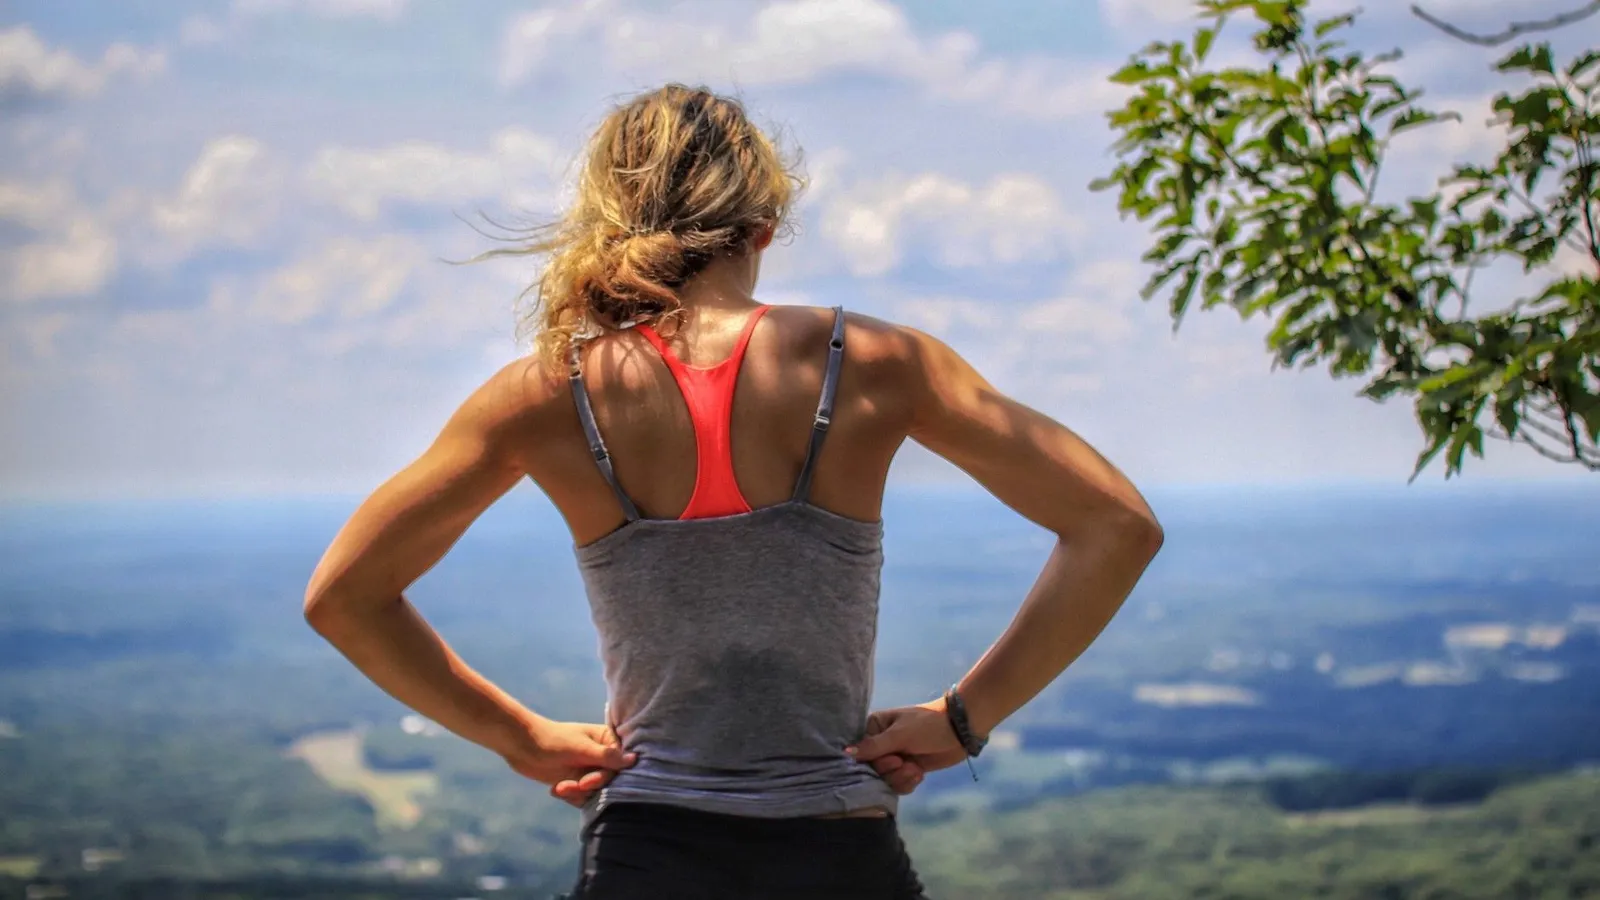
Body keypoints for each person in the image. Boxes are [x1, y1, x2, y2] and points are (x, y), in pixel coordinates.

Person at [303, 83, 1164, 900]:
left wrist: (517, 738)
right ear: (764, 224)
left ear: (613, 220)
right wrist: (963, 719)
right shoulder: (870, 366)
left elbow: (345, 597)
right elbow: (1115, 526)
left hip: (645, 851)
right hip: (838, 850)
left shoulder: (545, 394)